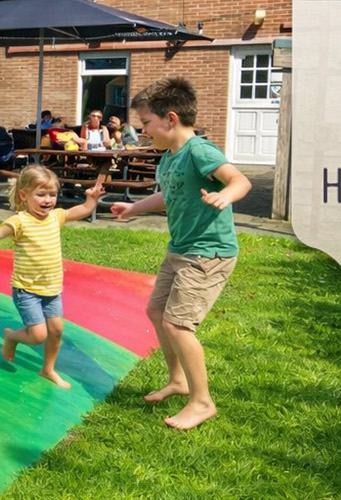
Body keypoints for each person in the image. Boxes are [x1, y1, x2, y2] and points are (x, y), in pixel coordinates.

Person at [109, 77, 252, 430]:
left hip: (208, 253)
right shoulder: (168, 159)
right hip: (181, 249)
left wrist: (225, 196)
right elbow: (167, 195)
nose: (143, 132)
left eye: (146, 124)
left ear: (170, 119)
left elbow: (240, 181)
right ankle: (179, 380)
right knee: (156, 309)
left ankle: (202, 402)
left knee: (177, 323)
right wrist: (133, 207)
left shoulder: (199, 151)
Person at [0, 166, 103, 388]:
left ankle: (48, 369)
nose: (48, 200)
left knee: (56, 331)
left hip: (52, 289)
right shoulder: (19, 221)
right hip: (26, 290)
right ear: (23, 195)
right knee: (38, 335)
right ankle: (12, 337)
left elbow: (83, 209)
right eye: (41, 194)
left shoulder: (55, 217)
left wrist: (92, 199)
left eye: (52, 194)